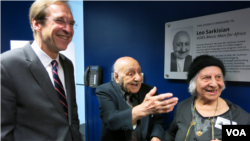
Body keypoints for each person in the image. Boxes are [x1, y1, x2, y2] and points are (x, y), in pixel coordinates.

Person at [0, 0, 83, 140]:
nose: (68, 29)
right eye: (60, 20)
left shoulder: (67, 64)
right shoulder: (7, 65)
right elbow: (3, 131)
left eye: (71, 23)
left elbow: (71, 116)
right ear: (37, 24)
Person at [164, 55, 250, 141]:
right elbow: (170, 134)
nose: (214, 84)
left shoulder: (238, 117)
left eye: (218, 77)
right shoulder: (183, 107)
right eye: (207, 77)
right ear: (194, 81)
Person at [96, 56, 179, 141]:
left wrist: (156, 137)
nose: (139, 78)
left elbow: (157, 121)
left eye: (139, 72)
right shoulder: (104, 90)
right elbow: (111, 121)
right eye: (130, 74)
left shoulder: (149, 90)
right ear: (117, 77)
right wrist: (143, 110)